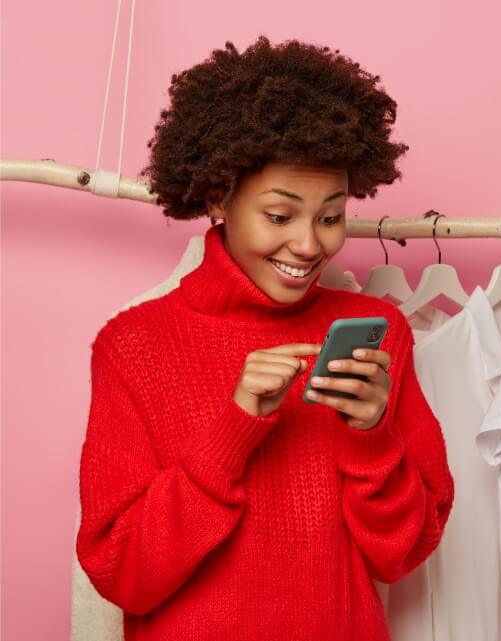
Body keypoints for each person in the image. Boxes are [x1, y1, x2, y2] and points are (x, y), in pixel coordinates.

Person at [75, 35, 454, 641]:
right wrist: (233, 430)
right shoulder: (134, 345)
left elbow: (404, 553)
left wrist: (372, 438)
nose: (309, 245)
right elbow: (121, 573)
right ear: (217, 198)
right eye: (280, 216)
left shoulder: (379, 338)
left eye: (331, 217)